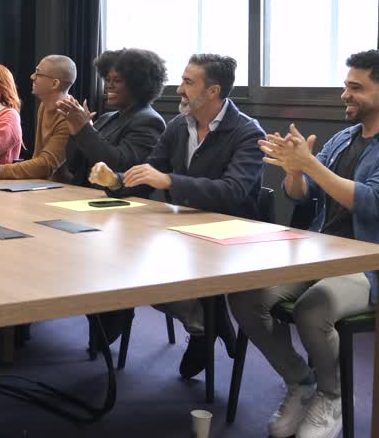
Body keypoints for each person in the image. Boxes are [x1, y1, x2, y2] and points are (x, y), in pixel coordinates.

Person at [230, 50, 379, 438]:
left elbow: (370, 201)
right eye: (346, 85)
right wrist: (294, 172)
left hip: (374, 268)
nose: (345, 95)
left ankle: (332, 394)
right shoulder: (343, 138)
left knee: (312, 309)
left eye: (356, 87)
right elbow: (304, 195)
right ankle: (301, 381)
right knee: (243, 294)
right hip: (320, 255)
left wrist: (309, 165)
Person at [88, 53, 264, 378]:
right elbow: (146, 176)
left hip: (232, 236)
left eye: (188, 82)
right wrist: (114, 180)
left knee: (147, 273)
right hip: (184, 230)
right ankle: (203, 322)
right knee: (127, 268)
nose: (179, 88)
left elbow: (233, 192)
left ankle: (205, 319)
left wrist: (169, 181)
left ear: (213, 91)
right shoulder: (178, 127)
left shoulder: (248, 133)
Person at [56, 48, 167, 188]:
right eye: (107, 80)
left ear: (138, 84)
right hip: (88, 196)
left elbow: (119, 166)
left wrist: (84, 128)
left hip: (123, 202)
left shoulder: (149, 121)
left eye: (117, 80)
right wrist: (75, 129)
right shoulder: (106, 118)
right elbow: (74, 166)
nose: (109, 85)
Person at [0, 55, 77, 180]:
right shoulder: (44, 106)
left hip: (60, 190)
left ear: (55, 83)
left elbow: (46, 165)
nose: (32, 77)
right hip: (40, 184)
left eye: (38, 74)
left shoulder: (69, 116)